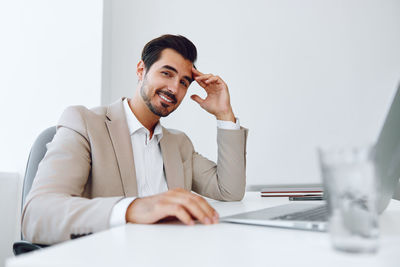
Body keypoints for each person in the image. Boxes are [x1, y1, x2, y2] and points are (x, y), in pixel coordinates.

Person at [22, 34, 248, 245]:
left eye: (184, 82)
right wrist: (133, 208)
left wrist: (224, 114)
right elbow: (37, 214)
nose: (174, 89)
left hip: (174, 253)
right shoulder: (85, 123)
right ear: (141, 70)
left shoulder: (179, 145)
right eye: (167, 73)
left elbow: (230, 190)